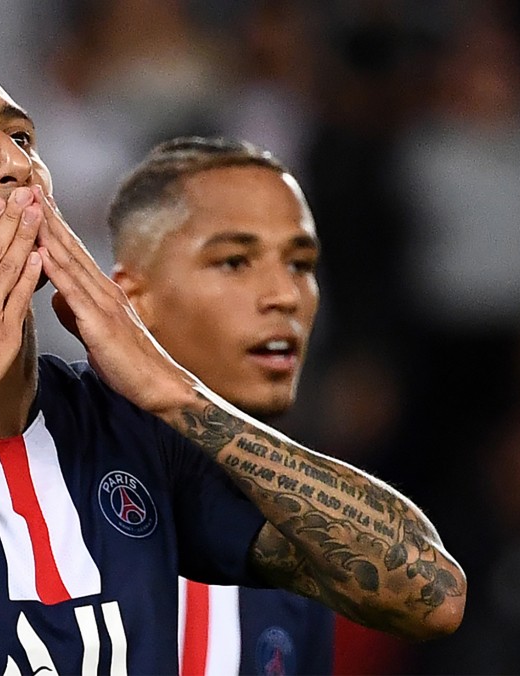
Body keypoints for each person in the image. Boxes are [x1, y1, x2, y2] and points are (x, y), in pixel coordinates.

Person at [0, 39, 466, 674]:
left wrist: (178, 394)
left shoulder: (132, 432)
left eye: (22, 138)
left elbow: (430, 593)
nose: (13, 164)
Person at [106, 136, 332, 674]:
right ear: (135, 301)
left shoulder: (313, 531)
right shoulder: (56, 484)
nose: (284, 295)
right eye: (234, 262)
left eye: (301, 263)